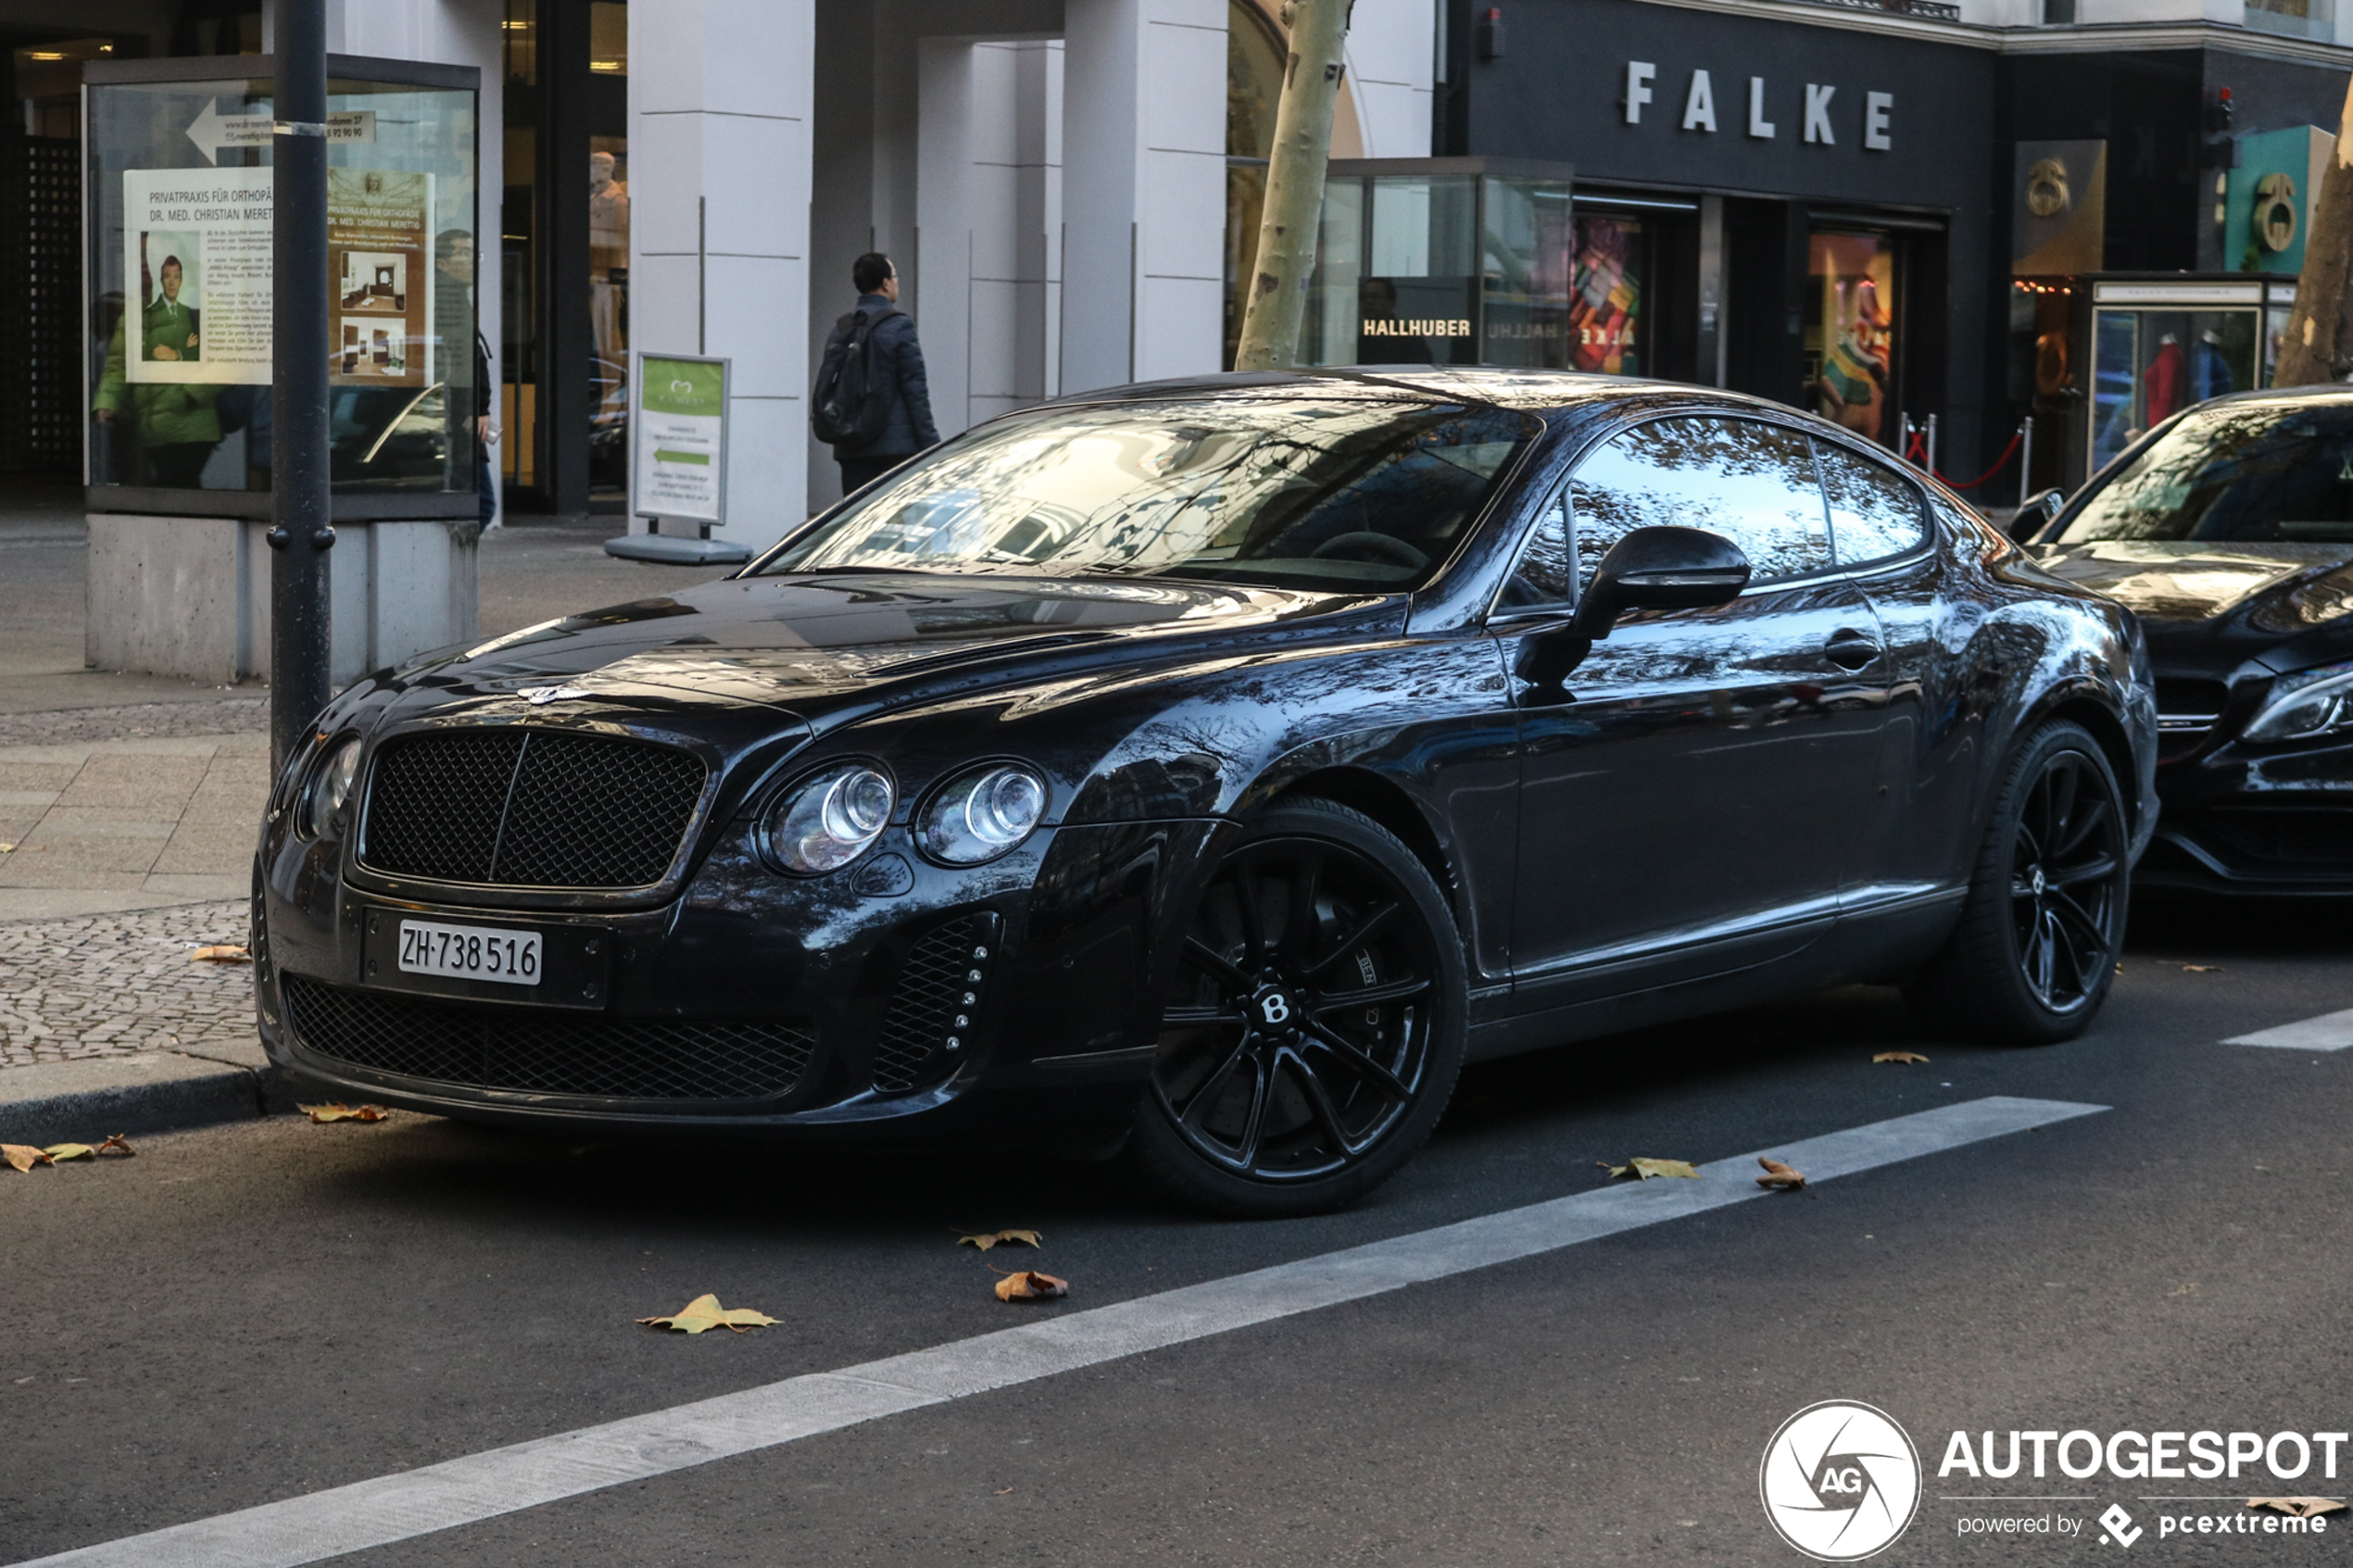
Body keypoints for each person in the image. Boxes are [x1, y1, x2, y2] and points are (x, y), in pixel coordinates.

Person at [818, 253, 937, 493]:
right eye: (895, 277)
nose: (896, 283)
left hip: (851, 445)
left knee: (858, 521)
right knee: (898, 522)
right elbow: (915, 390)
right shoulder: (900, 326)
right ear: (885, 283)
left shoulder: (841, 328)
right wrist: (931, 445)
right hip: (896, 449)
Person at [434, 229, 499, 528]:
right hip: (459, 411)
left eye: (474, 253)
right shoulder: (448, 300)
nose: (471, 261)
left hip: (458, 409)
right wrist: (478, 407)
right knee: (480, 504)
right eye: (463, 253)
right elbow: (462, 361)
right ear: (442, 264)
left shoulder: (456, 298)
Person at [144, 255, 200, 362]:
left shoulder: (188, 312)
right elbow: (154, 357)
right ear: (161, 281)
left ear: (181, 281)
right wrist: (186, 349)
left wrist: (176, 354)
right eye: (167, 276)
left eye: (176, 277)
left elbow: (197, 354)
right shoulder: (149, 314)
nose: (171, 283)